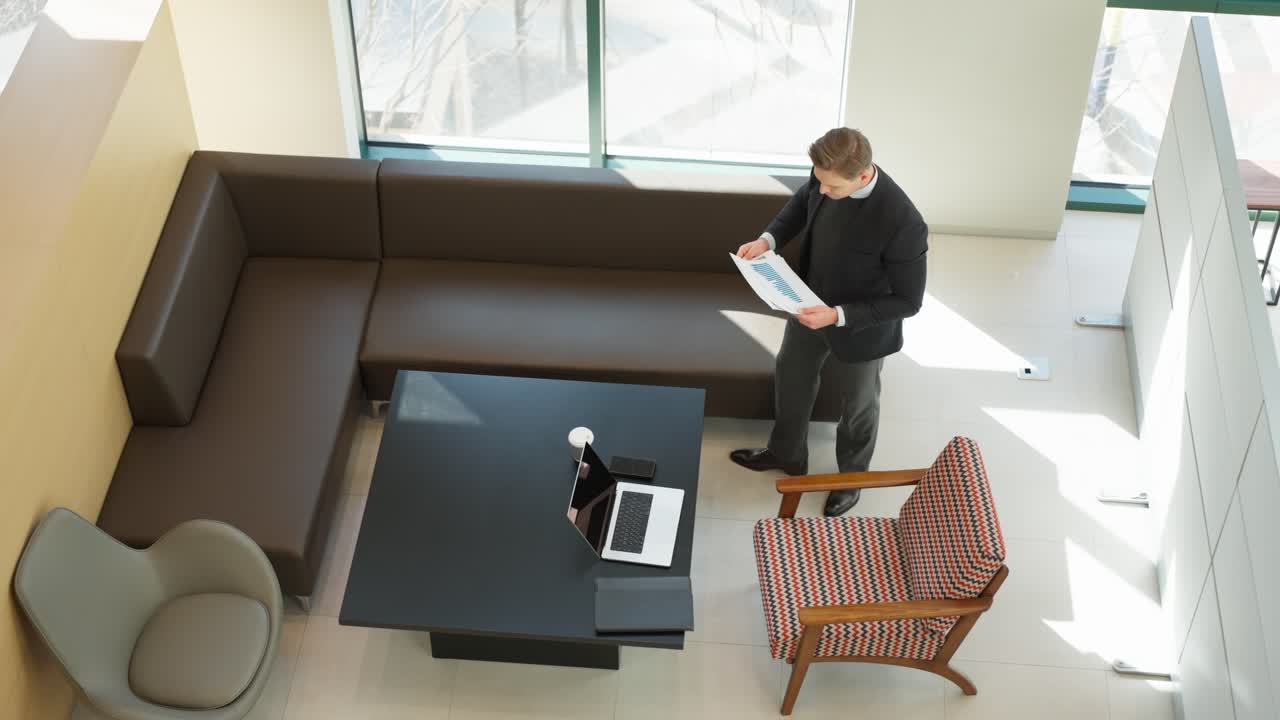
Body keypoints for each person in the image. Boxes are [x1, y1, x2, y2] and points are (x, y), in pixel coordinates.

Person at [729, 127, 928, 517]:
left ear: (863, 175)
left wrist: (838, 316)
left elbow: (908, 300)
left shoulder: (904, 222)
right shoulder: (825, 177)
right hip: (807, 306)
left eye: (832, 187)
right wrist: (768, 240)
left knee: (858, 406)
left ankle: (851, 479)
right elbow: (801, 204)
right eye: (819, 181)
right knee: (792, 376)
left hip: (862, 329)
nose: (822, 191)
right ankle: (786, 453)